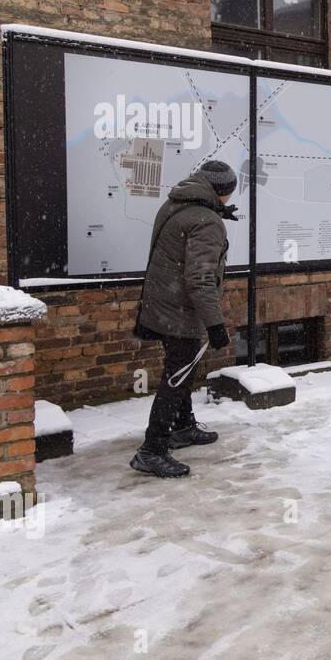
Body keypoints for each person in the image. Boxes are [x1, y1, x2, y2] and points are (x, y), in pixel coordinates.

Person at [131, 160, 238, 478]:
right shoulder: (206, 221)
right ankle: (152, 450)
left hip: (161, 302)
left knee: (182, 369)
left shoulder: (177, 204)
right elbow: (200, 278)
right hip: (180, 310)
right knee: (175, 378)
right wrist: (215, 325)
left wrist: (213, 214)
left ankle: (182, 426)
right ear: (222, 192)